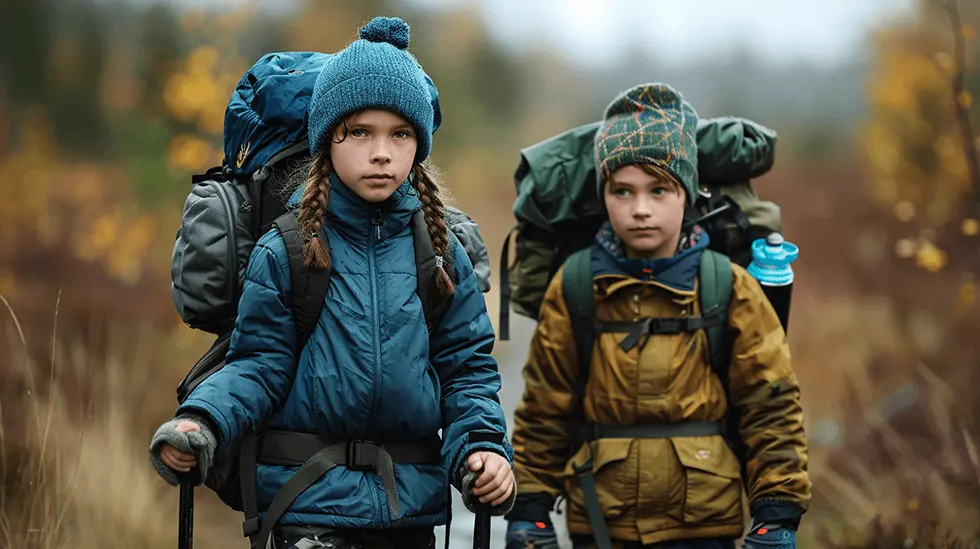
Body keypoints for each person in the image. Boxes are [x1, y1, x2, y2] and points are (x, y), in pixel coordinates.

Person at [149, 16, 514, 549]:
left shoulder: (439, 253)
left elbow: (466, 372)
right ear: (327, 140)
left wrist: (482, 448)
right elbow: (258, 365)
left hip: (408, 513)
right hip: (306, 504)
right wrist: (202, 422)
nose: (382, 152)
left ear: (419, 144)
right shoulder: (287, 249)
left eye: (400, 133)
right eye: (360, 132)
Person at [504, 83, 811, 549]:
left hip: (704, 528)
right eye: (622, 190)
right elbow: (545, 409)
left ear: (687, 192)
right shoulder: (575, 285)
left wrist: (777, 513)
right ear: (603, 194)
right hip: (601, 526)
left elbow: (770, 405)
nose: (640, 209)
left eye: (659, 189)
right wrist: (530, 510)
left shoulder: (727, 286)